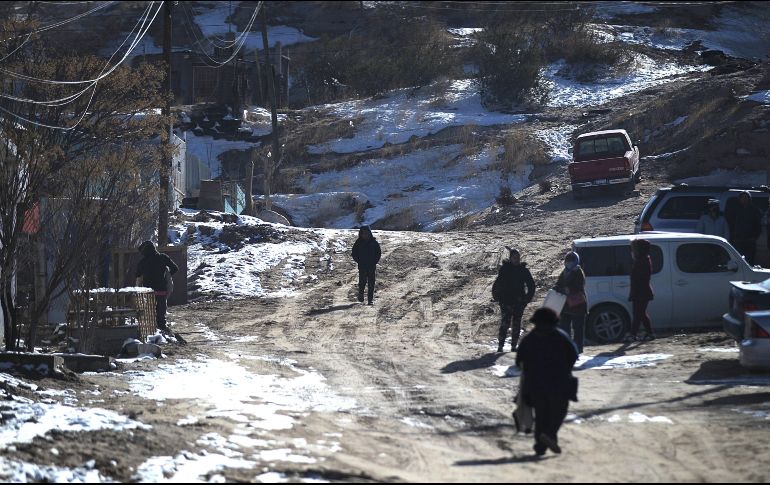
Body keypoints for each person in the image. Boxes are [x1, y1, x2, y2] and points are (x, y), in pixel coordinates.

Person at [516, 307, 579, 457]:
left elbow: (519, 362)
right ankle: (549, 435)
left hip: (535, 384)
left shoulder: (529, 339)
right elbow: (573, 356)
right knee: (558, 412)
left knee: (541, 415)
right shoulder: (561, 336)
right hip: (560, 383)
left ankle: (540, 446)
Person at [492, 247, 536, 353]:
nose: (517, 260)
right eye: (514, 257)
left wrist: (526, 299)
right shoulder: (505, 269)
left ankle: (513, 346)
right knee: (505, 324)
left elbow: (531, 286)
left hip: (519, 302)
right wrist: (498, 298)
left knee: (516, 325)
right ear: (510, 258)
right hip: (506, 302)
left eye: (518, 258)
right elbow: (498, 284)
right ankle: (500, 346)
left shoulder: (523, 270)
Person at [136, 240, 178, 332]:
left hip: (148, 292)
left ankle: (151, 333)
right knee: (161, 315)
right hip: (161, 291)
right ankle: (162, 332)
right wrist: (165, 275)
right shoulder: (163, 257)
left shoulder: (142, 262)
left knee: (150, 315)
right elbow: (175, 268)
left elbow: (138, 276)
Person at [554, 252, 587, 354]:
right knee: (564, 328)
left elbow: (579, 286)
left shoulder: (578, 272)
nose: (569, 263)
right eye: (567, 261)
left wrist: (568, 289)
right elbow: (559, 284)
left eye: (571, 261)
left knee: (578, 329)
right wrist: (556, 289)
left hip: (578, 305)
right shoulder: (564, 272)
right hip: (566, 306)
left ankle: (578, 349)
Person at [624, 239, 655, 342]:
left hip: (642, 292)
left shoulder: (642, 262)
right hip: (640, 292)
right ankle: (649, 333)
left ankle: (633, 334)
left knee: (638, 314)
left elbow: (639, 279)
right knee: (641, 314)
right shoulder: (642, 260)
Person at [730, 191, 762, 265]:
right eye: (742, 197)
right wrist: (733, 236)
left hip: (750, 241)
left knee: (750, 262)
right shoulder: (735, 210)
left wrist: (754, 237)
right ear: (739, 199)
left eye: (746, 197)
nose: (744, 199)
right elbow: (731, 224)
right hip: (738, 241)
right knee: (738, 262)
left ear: (749, 199)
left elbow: (758, 226)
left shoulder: (754, 210)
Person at [351, 226, 381, 305]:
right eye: (363, 233)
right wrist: (359, 261)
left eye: (367, 233)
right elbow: (354, 253)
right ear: (360, 234)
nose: (365, 235)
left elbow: (378, 253)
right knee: (362, 282)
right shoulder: (358, 242)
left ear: (370, 233)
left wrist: (374, 261)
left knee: (371, 283)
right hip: (362, 266)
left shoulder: (374, 243)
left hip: (371, 266)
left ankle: (370, 300)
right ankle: (361, 294)